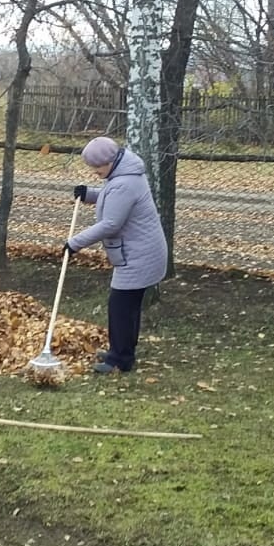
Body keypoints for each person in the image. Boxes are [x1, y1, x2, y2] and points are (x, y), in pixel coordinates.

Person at [65, 135, 168, 374]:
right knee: (128, 307)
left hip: (139, 256)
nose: (95, 172)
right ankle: (123, 352)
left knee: (120, 307)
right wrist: (89, 194)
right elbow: (113, 198)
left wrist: (74, 244)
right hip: (140, 251)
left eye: (97, 167)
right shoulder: (125, 175)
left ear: (110, 161)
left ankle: (119, 360)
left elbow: (111, 224)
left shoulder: (124, 183)